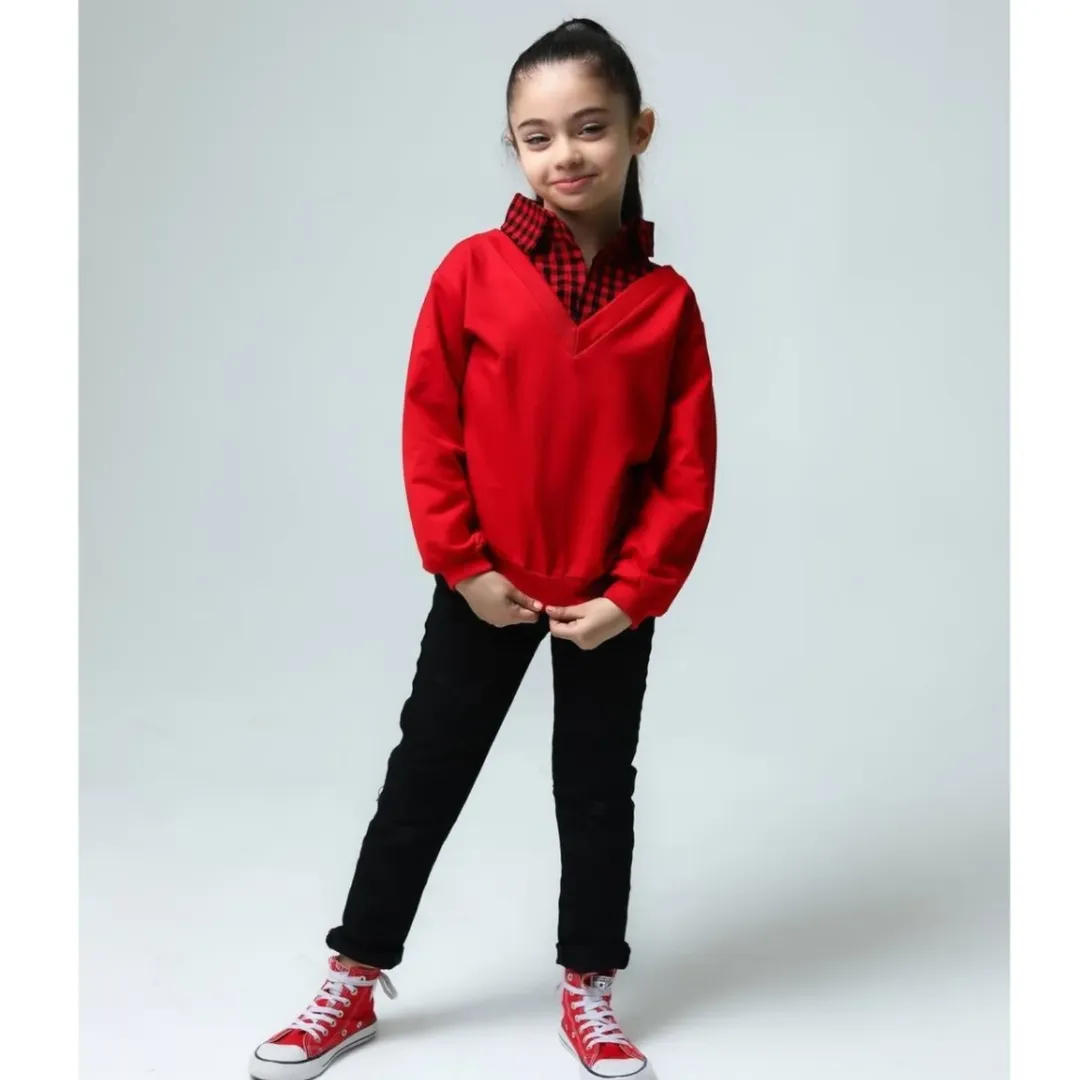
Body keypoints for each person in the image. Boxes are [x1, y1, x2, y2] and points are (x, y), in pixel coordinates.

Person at [249, 16, 717, 1080]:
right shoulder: (470, 274)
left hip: (608, 603)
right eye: (536, 137)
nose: (565, 155)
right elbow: (431, 429)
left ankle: (589, 989)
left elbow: (685, 471)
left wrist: (633, 593)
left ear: (639, 130)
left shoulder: (668, 306)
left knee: (595, 794)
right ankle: (353, 979)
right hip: (485, 588)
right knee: (424, 777)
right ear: (514, 147)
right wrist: (463, 565)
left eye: (590, 127)